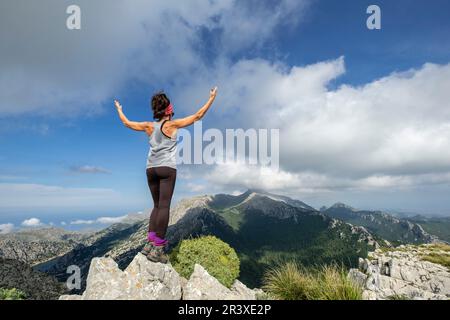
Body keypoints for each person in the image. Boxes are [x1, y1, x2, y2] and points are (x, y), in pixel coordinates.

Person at [114, 86, 218, 263]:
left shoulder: (148, 126)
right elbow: (198, 116)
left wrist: (119, 109)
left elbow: (127, 123)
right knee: (164, 207)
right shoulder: (172, 124)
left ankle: (149, 244)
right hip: (166, 168)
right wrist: (211, 98)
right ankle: (158, 249)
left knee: (156, 206)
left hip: (150, 169)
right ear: (169, 110)